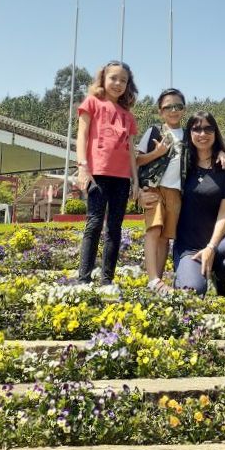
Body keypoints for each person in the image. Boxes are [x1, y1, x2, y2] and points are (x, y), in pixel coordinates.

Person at [143, 111, 225, 296]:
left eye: (208, 129)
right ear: (189, 133)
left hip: (217, 245)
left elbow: (224, 213)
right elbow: (152, 178)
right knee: (194, 291)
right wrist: (141, 193)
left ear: (215, 132)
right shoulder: (182, 166)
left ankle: (219, 275)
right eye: (196, 129)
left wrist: (211, 247)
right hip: (189, 248)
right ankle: (187, 271)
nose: (202, 134)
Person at [76, 61, 139, 285]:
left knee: (115, 228)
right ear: (103, 78)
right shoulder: (92, 103)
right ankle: (83, 280)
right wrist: (83, 167)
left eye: (123, 80)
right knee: (93, 224)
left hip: (122, 178)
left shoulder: (128, 116)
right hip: (97, 173)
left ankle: (107, 281)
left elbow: (131, 150)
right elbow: (82, 136)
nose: (118, 83)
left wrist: (136, 181)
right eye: (113, 78)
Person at [136, 88, 187, 295]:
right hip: (153, 187)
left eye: (178, 106)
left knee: (166, 236)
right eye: (168, 107)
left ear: (183, 110)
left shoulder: (189, 135)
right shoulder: (154, 131)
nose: (173, 110)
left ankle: (157, 281)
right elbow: (136, 160)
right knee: (154, 230)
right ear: (160, 111)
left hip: (175, 191)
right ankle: (153, 278)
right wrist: (156, 153)